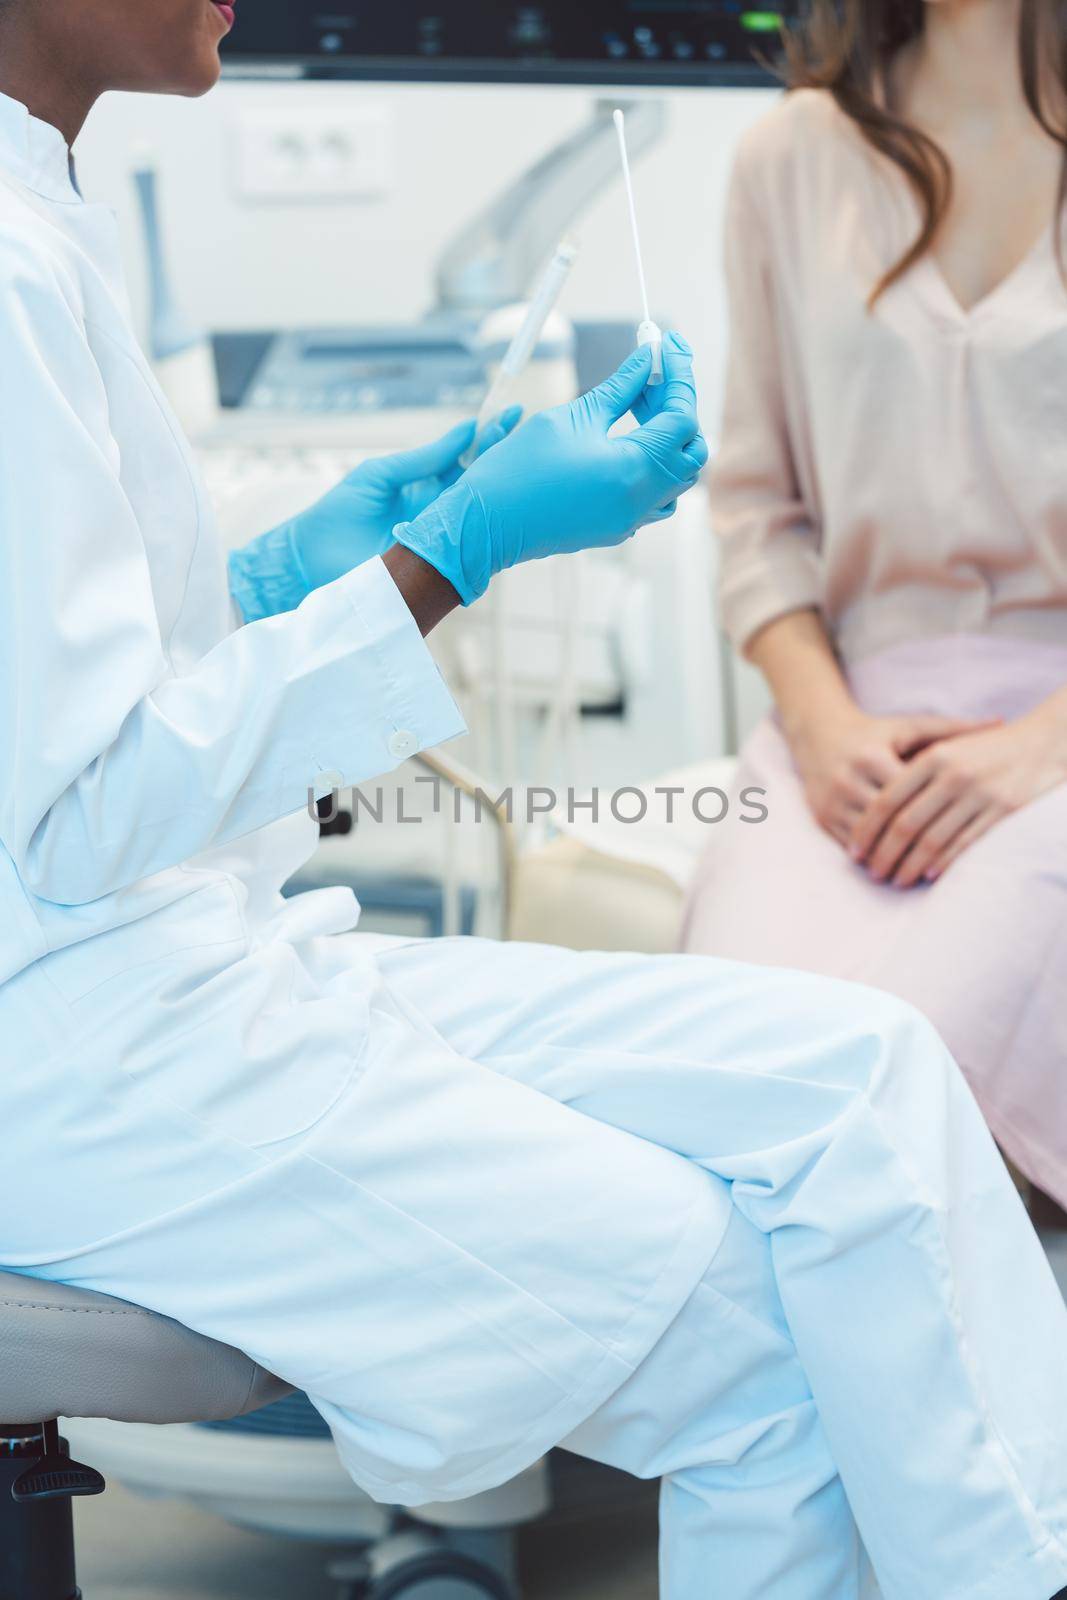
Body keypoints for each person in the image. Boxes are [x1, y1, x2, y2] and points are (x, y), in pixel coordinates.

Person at [1, 4, 1066, 1598]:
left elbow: (61, 671)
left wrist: (297, 573)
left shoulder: (43, 212)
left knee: (864, 1081)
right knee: (774, 1358)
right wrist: (439, 564)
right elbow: (75, 811)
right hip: (98, 1059)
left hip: (179, 968)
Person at [683, 0, 1067, 1216]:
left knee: (895, 1089)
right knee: (724, 1077)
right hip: (847, 740)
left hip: (1055, 749)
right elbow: (753, 512)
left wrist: (1035, 751)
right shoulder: (788, 159)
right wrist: (819, 729)